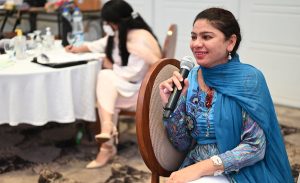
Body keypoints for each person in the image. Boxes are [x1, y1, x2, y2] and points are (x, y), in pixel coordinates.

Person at [159, 7, 293, 183]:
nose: (196, 44)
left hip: (240, 172)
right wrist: (171, 105)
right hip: (195, 167)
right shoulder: (190, 78)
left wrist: (202, 168)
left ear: (230, 42)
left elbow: (255, 147)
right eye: (193, 36)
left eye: (206, 37)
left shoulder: (249, 79)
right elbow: (182, 144)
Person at [66, 0, 162, 169]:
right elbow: (98, 45)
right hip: (124, 88)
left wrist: (111, 66)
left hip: (140, 90)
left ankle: (107, 144)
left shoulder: (140, 39)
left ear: (116, 22)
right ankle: (107, 133)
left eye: (107, 22)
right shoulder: (119, 33)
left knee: (105, 82)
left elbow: (135, 73)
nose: (106, 26)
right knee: (106, 87)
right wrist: (77, 48)